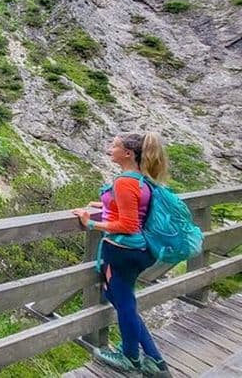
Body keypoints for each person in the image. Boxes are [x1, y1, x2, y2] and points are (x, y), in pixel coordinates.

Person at [72, 133, 172, 377]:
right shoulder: (141, 179)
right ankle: (155, 361)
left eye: (115, 145)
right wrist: (104, 206)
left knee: (125, 302)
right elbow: (135, 208)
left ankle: (130, 358)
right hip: (138, 250)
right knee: (118, 297)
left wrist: (91, 224)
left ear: (127, 153)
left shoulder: (125, 181)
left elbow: (128, 224)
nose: (110, 148)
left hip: (123, 249)